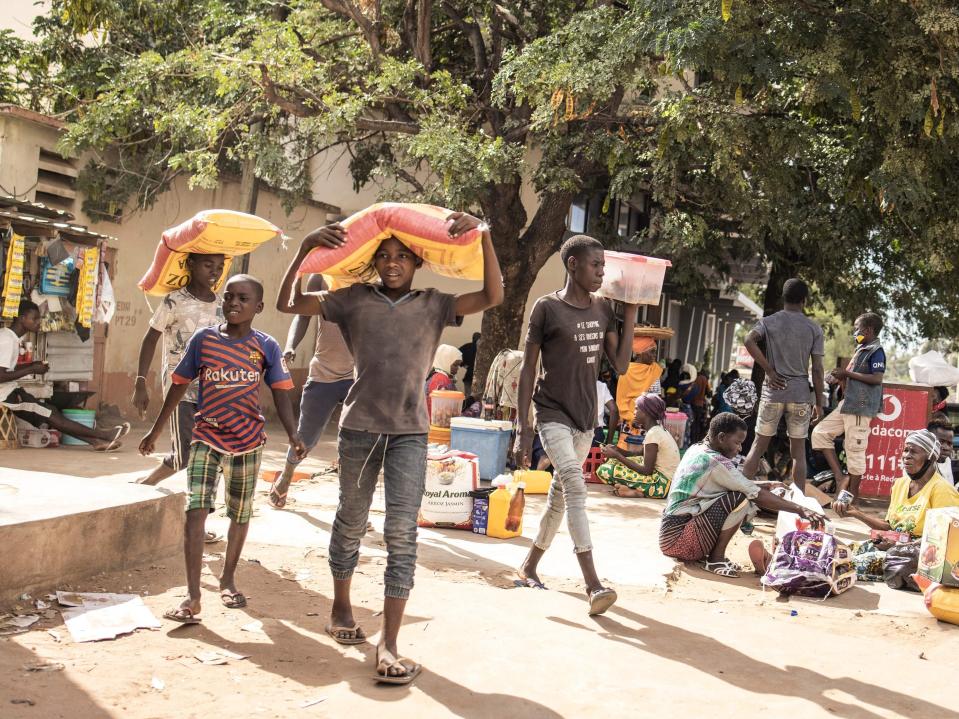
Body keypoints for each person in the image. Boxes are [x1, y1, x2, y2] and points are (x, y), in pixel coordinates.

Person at [276, 211, 502, 685]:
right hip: (359, 428)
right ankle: (341, 608)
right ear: (373, 261)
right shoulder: (353, 299)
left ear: (417, 261)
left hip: (411, 433)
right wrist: (304, 251)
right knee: (351, 520)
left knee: (402, 533)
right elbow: (288, 305)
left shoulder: (435, 303)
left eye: (402, 256)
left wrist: (483, 234)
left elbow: (492, 295)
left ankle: (390, 641)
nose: (393, 263)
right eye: (384, 255)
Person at [139, 275, 305, 623]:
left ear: (258, 307)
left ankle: (228, 578)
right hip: (206, 436)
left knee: (239, 514)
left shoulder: (266, 346)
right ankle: (193, 596)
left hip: (247, 441)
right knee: (195, 511)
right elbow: (179, 385)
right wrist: (156, 430)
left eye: (243, 298)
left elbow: (280, 393)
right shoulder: (204, 340)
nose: (233, 303)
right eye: (228, 297)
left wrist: (294, 435)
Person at [513, 234, 638, 615]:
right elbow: (528, 369)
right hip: (551, 412)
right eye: (595, 264)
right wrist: (524, 428)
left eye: (603, 265)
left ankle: (529, 565)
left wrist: (629, 312)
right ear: (573, 265)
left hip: (585, 418)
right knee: (575, 485)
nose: (602, 271)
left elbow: (619, 366)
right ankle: (593, 584)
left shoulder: (603, 309)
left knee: (559, 498)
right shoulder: (546, 308)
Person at [659, 412, 824, 578]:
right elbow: (754, 494)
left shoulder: (696, 449)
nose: (739, 448)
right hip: (680, 541)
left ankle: (712, 556)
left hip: (668, 536)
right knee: (740, 499)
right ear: (722, 437)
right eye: (737, 443)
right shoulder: (716, 461)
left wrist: (764, 484)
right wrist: (800, 510)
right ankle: (716, 560)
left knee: (740, 494)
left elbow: (733, 482)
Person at [133, 252, 226, 485]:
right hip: (180, 388)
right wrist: (140, 381)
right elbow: (150, 339)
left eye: (219, 266)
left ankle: (200, 502)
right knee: (184, 453)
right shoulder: (174, 301)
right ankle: (146, 484)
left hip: (213, 390)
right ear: (191, 264)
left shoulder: (223, 306)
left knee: (213, 449)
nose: (214, 271)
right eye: (208, 264)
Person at [269, 274, 355, 509]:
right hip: (324, 372)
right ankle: (285, 478)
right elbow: (303, 314)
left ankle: (353, 507)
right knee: (305, 437)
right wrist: (289, 346)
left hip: (357, 376)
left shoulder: (370, 278)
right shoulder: (322, 277)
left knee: (356, 441)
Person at [0, 300, 130, 450]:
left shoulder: (10, 337)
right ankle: (102, 435)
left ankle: (97, 442)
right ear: (22, 318)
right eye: (34, 319)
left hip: (10, 390)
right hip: (4, 394)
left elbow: (7, 369)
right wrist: (31, 370)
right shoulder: (7, 340)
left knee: (51, 414)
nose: (38, 322)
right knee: (51, 414)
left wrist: (32, 365)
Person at [836, 429, 959, 583]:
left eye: (913, 452)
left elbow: (945, 539)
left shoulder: (942, 489)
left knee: (847, 564)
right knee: (844, 551)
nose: (906, 456)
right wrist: (856, 513)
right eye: (905, 450)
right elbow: (890, 527)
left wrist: (900, 545)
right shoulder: (900, 484)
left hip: (918, 556)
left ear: (930, 457)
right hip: (896, 547)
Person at [741, 279, 825, 490]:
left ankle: (740, 496)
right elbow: (817, 369)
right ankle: (798, 504)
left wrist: (769, 370)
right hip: (800, 396)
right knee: (798, 453)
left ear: (783, 298)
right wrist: (819, 403)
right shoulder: (813, 329)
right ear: (804, 301)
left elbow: (748, 340)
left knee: (758, 446)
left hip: (773, 392)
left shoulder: (769, 322)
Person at [812, 312, 886, 504]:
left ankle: (852, 498)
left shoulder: (876, 351)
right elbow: (853, 375)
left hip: (860, 408)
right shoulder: (861, 349)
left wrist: (847, 373)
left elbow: (877, 378)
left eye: (857, 328)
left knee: (855, 450)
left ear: (868, 330)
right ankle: (840, 477)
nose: (855, 332)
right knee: (820, 432)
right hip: (848, 403)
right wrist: (840, 377)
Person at [598, 393, 680, 498]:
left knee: (605, 470)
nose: (634, 412)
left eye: (637, 409)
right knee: (612, 461)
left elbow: (646, 470)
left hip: (662, 485)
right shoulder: (657, 430)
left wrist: (617, 455)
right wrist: (617, 450)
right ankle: (635, 490)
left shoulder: (653, 434)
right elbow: (638, 453)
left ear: (646, 412)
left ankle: (639, 491)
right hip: (668, 482)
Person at [614, 335, 662, 434]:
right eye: (652, 351)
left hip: (650, 422)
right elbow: (621, 401)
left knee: (648, 448)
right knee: (629, 448)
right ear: (640, 352)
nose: (654, 355)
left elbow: (656, 397)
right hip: (630, 422)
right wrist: (632, 418)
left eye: (655, 352)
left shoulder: (654, 370)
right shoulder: (626, 372)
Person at [425, 344, 463, 420]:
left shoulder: (436, 376)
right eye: (455, 365)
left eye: (459, 365)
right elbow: (445, 411)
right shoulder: (441, 380)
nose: (458, 368)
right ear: (445, 361)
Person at [686, 368, 712, 443]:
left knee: (692, 423)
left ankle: (691, 440)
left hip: (693, 403)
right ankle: (696, 441)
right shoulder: (705, 380)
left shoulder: (696, 378)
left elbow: (692, 391)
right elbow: (709, 393)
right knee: (697, 424)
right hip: (700, 405)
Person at [928, 419, 955, 486]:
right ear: (929, 440)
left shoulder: (953, 466)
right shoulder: (918, 466)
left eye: (949, 443)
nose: (946, 447)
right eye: (941, 442)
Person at [594, 378, 618, 446]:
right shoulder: (600, 385)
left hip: (574, 432)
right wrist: (609, 442)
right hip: (596, 433)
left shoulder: (572, 384)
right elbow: (614, 410)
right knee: (594, 456)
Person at [458, 332, 481, 397]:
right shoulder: (481, 349)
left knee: (468, 397)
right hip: (476, 378)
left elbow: (457, 353)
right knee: (476, 398)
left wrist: (463, 364)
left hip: (469, 377)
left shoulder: (467, 346)